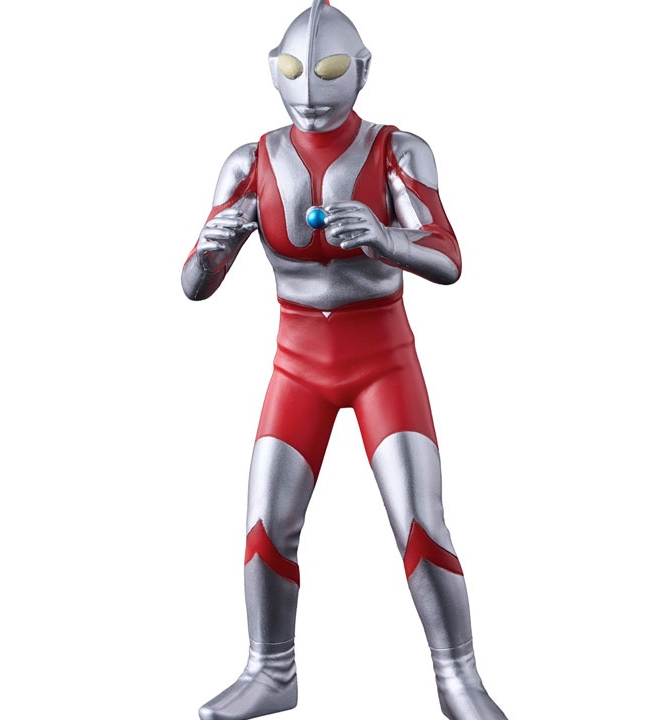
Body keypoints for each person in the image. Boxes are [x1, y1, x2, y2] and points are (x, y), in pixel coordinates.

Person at [182, 2, 509, 719]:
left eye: (329, 70)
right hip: (297, 364)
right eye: (293, 70)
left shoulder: (398, 151)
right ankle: (270, 669)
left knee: (419, 522)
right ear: (272, 70)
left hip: (382, 361)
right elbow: (194, 286)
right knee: (265, 521)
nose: (309, 91)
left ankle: (458, 675)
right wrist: (211, 246)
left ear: (361, 71)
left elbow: (449, 258)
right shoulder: (249, 161)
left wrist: (388, 240)